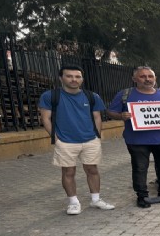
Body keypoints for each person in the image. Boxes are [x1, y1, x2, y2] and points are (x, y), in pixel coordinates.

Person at [38, 65, 114, 215]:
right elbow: (45, 118)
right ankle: (73, 202)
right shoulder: (50, 96)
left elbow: (97, 117)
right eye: (69, 76)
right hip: (65, 141)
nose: (74, 79)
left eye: (77, 76)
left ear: (82, 79)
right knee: (68, 172)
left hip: (90, 140)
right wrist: (56, 139)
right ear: (61, 78)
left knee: (92, 170)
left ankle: (95, 199)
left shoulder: (92, 96)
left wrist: (97, 137)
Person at [107, 67, 160, 208]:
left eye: (150, 76)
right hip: (137, 140)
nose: (147, 79)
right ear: (134, 79)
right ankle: (142, 196)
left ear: (155, 78)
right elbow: (110, 112)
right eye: (143, 76)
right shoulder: (125, 94)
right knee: (140, 168)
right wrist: (121, 116)